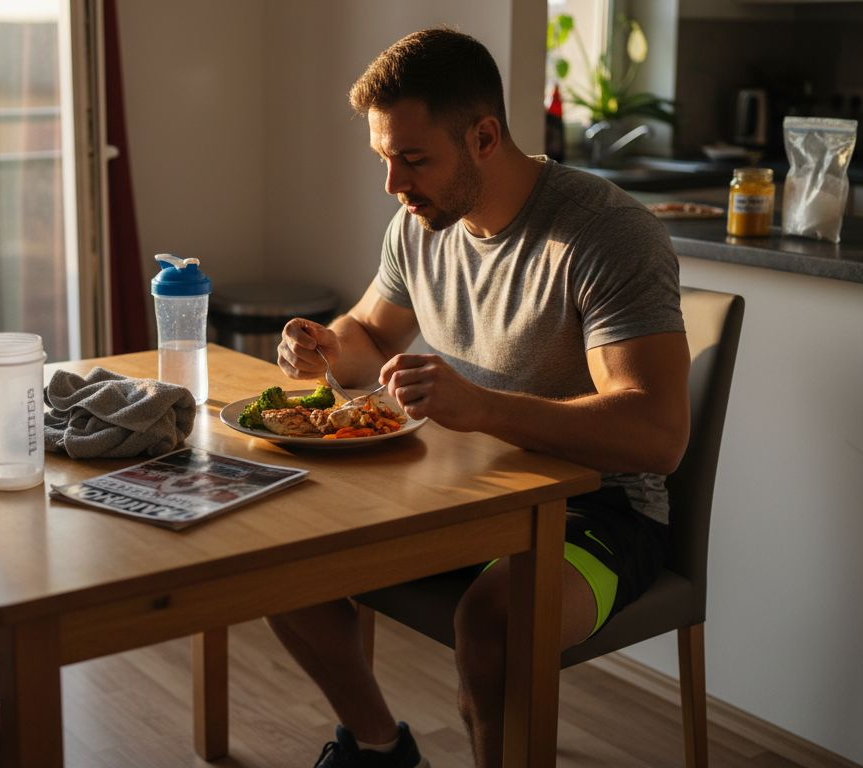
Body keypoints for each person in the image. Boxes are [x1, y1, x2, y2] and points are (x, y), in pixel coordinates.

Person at [266, 27, 691, 768]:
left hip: (597, 508)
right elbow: (370, 331)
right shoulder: (420, 223)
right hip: (458, 491)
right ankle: (379, 750)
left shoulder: (607, 234)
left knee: (493, 626)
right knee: (272, 554)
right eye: (383, 157)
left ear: (485, 138)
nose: (393, 184)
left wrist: (486, 409)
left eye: (413, 159)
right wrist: (327, 345)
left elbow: (657, 434)